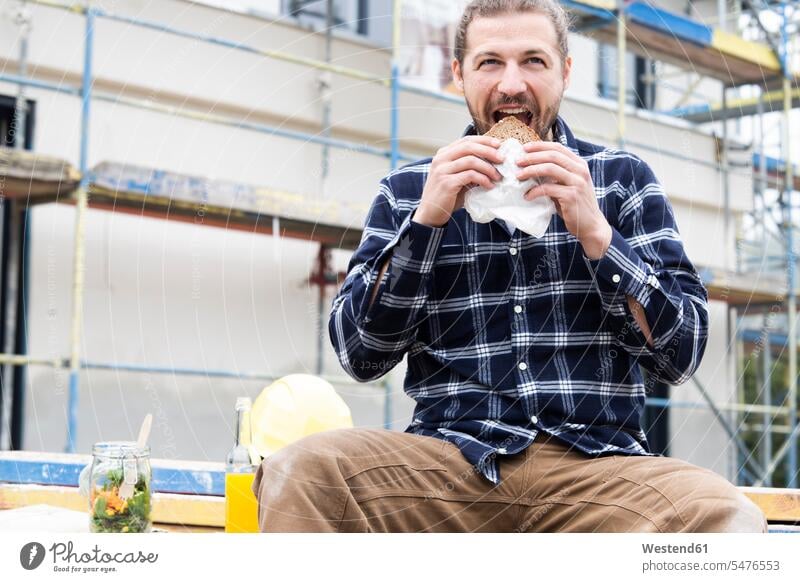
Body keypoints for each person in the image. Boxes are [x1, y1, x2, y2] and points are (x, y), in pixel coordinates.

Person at [252, 0, 768, 533]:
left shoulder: (621, 180)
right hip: (446, 468)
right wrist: (427, 222)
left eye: (534, 62)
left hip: (600, 472)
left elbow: (680, 357)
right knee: (304, 472)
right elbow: (361, 356)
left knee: (726, 518)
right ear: (459, 75)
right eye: (490, 62)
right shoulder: (410, 190)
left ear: (566, 72)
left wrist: (597, 233)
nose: (512, 85)